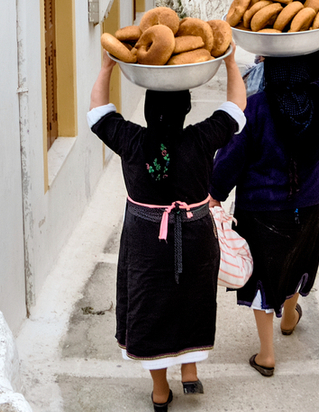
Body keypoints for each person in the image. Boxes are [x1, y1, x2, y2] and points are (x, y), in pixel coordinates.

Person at [87, 43, 246, 411]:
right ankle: (189, 371)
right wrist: (231, 63)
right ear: (186, 110)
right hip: (194, 236)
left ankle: (161, 393)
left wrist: (107, 67)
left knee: (152, 309)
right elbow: (236, 107)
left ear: (147, 111)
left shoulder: (131, 140)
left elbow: (97, 112)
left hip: (145, 243)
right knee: (192, 301)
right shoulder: (202, 138)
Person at [209, 29, 319, 377]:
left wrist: (213, 194)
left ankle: (266, 354)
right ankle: (290, 316)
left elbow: (231, 158)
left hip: (260, 209)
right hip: (308, 204)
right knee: (296, 258)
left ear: (271, 67)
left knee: (263, 277)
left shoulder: (254, 108)